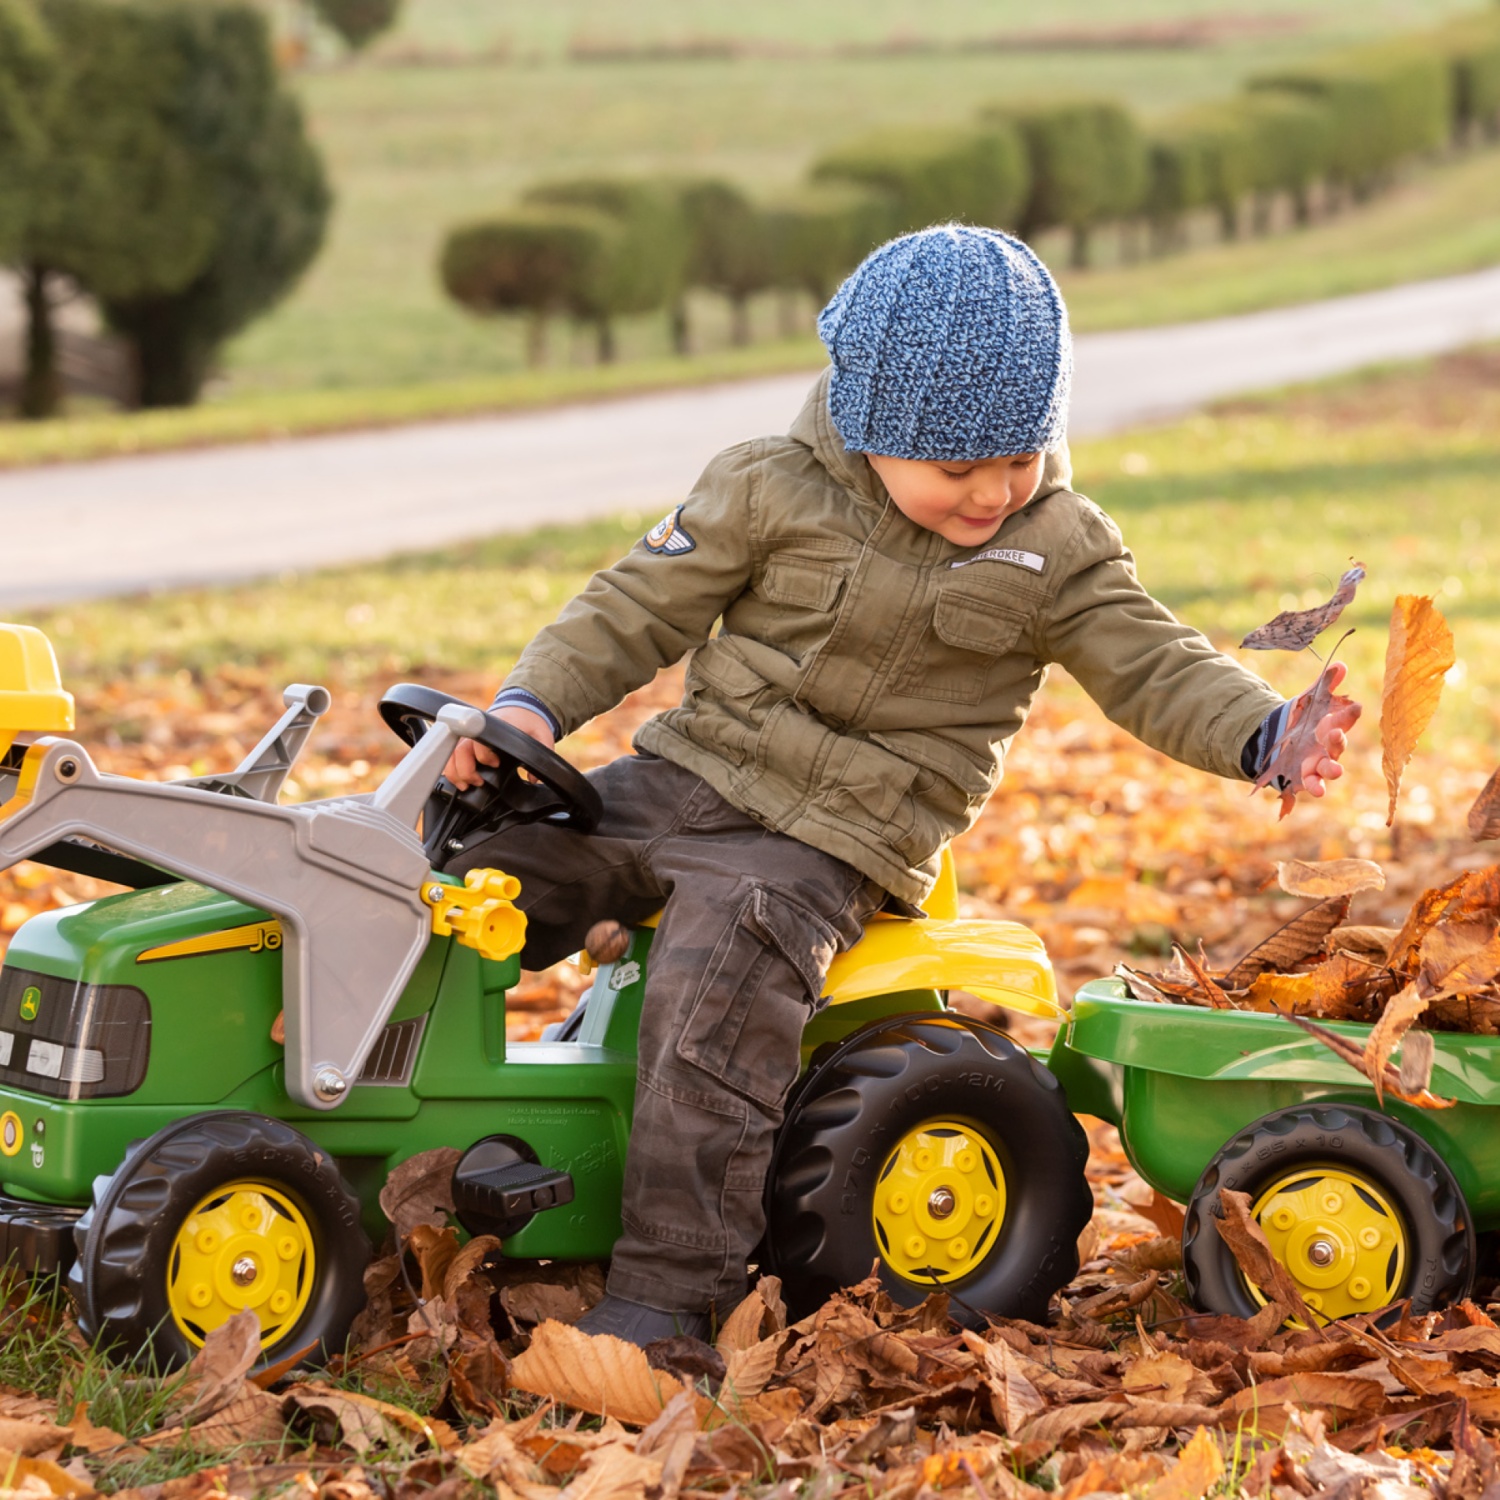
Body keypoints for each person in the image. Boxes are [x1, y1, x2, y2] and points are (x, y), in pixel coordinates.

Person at [442, 225, 1355, 1346]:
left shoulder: (1055, 549)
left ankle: (669, 1302)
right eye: (957, 469)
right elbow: (633, 605)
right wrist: (529, 709)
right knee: (476, 875)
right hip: (684, 779)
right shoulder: (764, 489)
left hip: (828, 842)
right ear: (867, 425)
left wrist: (1267, 733)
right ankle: (400, 1149)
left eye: (1018, 458)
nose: (991, 493)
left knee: (715, 1011)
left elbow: (1154, 662)